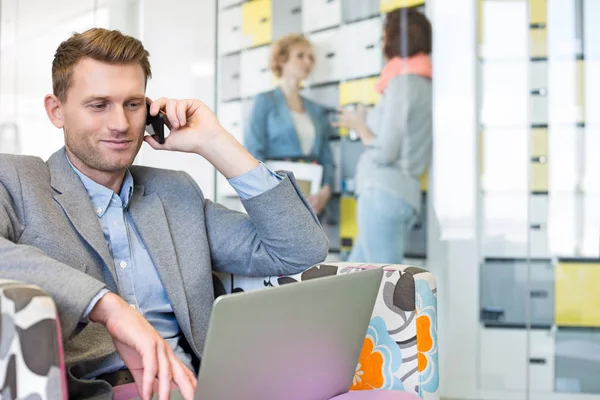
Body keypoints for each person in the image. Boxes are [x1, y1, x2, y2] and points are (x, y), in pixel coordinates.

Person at [0, 28, 329, 400]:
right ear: (56, 110)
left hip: (198, 388)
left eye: (133, 104)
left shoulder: (174, 193)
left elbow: (299, 249)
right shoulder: (18, 181)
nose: (121, 125)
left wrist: (216, 143)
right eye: (99, 105)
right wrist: (105, 305)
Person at [333, 9, 433, 264]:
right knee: (353, 276)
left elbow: (386, 150)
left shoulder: (403, 83)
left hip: (384, 192)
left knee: (385, 284)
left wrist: (359, 125)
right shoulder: (422, 81)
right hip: (399, 193)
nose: (381, 43)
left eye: (383, 36)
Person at [244, 34, 335, 215]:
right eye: (300, 56)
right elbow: (253, 151)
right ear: (282, 60)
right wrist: (268, 192)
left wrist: (326, 191)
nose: (307, 62)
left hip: (310, 196)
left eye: (311, 58)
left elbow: (326, 156)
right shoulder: (265, 101)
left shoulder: (315, 110)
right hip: (273, 194)